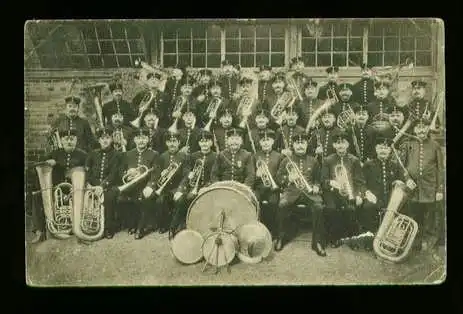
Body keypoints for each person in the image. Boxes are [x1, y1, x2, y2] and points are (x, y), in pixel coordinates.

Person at [30, 129, 88, 243]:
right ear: (62, 140)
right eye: (66, 139)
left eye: (72, 139)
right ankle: (40, 231)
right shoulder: (54, 154)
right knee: (37, 197)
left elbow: (87, 172)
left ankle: (79, 228)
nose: (69, 141)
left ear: (76, 140)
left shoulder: (83, 155)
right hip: (57, 188)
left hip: (75, 189)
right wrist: (48, 161)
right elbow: (39, 166)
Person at [276, 132, 326, 256]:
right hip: (292, 191)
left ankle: (317, 242)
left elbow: (318, 179)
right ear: (293, 145)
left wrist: (316, 186)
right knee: (282, 205)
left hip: (309, 193)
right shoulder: (286, 160)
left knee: (318, 207)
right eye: (297, 143)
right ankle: (281, 238)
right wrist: (288, 178)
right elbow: (278, 178)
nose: (300, 146)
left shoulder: (313, 160)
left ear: (306, 145)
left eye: (302, 143)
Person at [401, 119, 444, 257]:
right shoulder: (408, 145)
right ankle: (415, 241)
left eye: (424, 127)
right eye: (418, 128)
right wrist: (407, 179)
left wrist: (439, 190)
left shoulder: (435, 146)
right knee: (414, 214)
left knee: (430, 216)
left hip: (430, 187)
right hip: (413, 188)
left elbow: (440, 169)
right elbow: (403, 166)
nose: (421, 131)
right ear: (414, 130)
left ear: (428, 129)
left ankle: (428, 242)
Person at [320, 128, 366, 247]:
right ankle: (334, 237)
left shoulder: (354, 160)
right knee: (331, 209)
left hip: (349, 192)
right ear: (334, 145)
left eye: (343, 142)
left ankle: (352, 238)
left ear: (348, 144)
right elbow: (322, 180)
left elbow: (360, 181)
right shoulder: (328, 160)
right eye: (338, 143)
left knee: (350, 209)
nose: (340, 145)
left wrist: (359, 195)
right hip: (332, 193)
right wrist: (330, 182)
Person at [170, 130, 217, 238]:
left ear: (211, 143)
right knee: (180, 198)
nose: (204, 144)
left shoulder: (215, 156)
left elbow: (215, 177)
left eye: (207, 141)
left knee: (191, 197)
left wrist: (206, 187)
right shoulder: (192, 156)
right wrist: (180, 189)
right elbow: (186, 173)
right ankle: (176, 225)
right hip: (191, 185)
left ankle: (195, 225)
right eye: (202, 141)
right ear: (199, 143)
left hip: (207, 187)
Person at [360, 131, 404, 247]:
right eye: (380, 148)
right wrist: (366, 192)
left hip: (390, 199)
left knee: (403, 209)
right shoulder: (368, 165)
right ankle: (370, 240)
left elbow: (401, 182)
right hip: (374, 198)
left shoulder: (395, 165)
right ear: (376, 149)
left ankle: (393, 240)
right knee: (368, 207)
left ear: (390, 150)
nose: (383, 150)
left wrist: (400, 183)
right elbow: (361, 182)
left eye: (386, 148)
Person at [141, 131, 190, 234]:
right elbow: (155, 174)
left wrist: (180, 190)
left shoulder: (184, 156)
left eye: (174, 141)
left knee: (180, 200)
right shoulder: (162, 157)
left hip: (177, 187)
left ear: (179, 142)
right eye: (169, 141)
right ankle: (162, 224)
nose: (172, 144)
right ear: (166, 143)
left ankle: (176, 225)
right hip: (165, 188)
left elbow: (186, 175)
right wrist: (150, 186)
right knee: (159, 200)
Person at [118, 127, 160, 239]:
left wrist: (150, 186)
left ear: (148, 139)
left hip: (145, 186)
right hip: (131, 185)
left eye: (144, 138)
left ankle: (140, 228)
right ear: (134, 140)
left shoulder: (154, 154)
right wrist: (127, 175)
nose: (141, 141)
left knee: (145, 197)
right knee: (121, 198)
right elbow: (121, 171)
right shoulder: (127, 154)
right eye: (138, 138)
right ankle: (131, 224)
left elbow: (155, 173)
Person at [85, 127, 123, 239]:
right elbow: (87, 171)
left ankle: (108, 228)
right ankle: (90, 225)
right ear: (99, 140)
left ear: (111, 139)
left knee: (109, 198)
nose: (105, 141)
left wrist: (102, 186)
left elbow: (114, 174)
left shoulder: (117, 155)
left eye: (107, 138)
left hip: (109, 186)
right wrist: (89, 184)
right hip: (93, 186)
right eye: (102, 138)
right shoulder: (92, 154)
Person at [253, 129, 282, 239]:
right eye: (263, 140)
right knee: (254, 201)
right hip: (259, 187)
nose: (265, 143)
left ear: (273, 142)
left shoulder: (278, 156)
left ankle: (271, 231)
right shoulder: (255, 156)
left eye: (268, 140)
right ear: (260, 143)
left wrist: (278, 185)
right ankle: (256, 229)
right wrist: (257, 175)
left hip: (273, 188)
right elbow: (251, 176)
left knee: (273, 203)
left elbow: (280, 175)